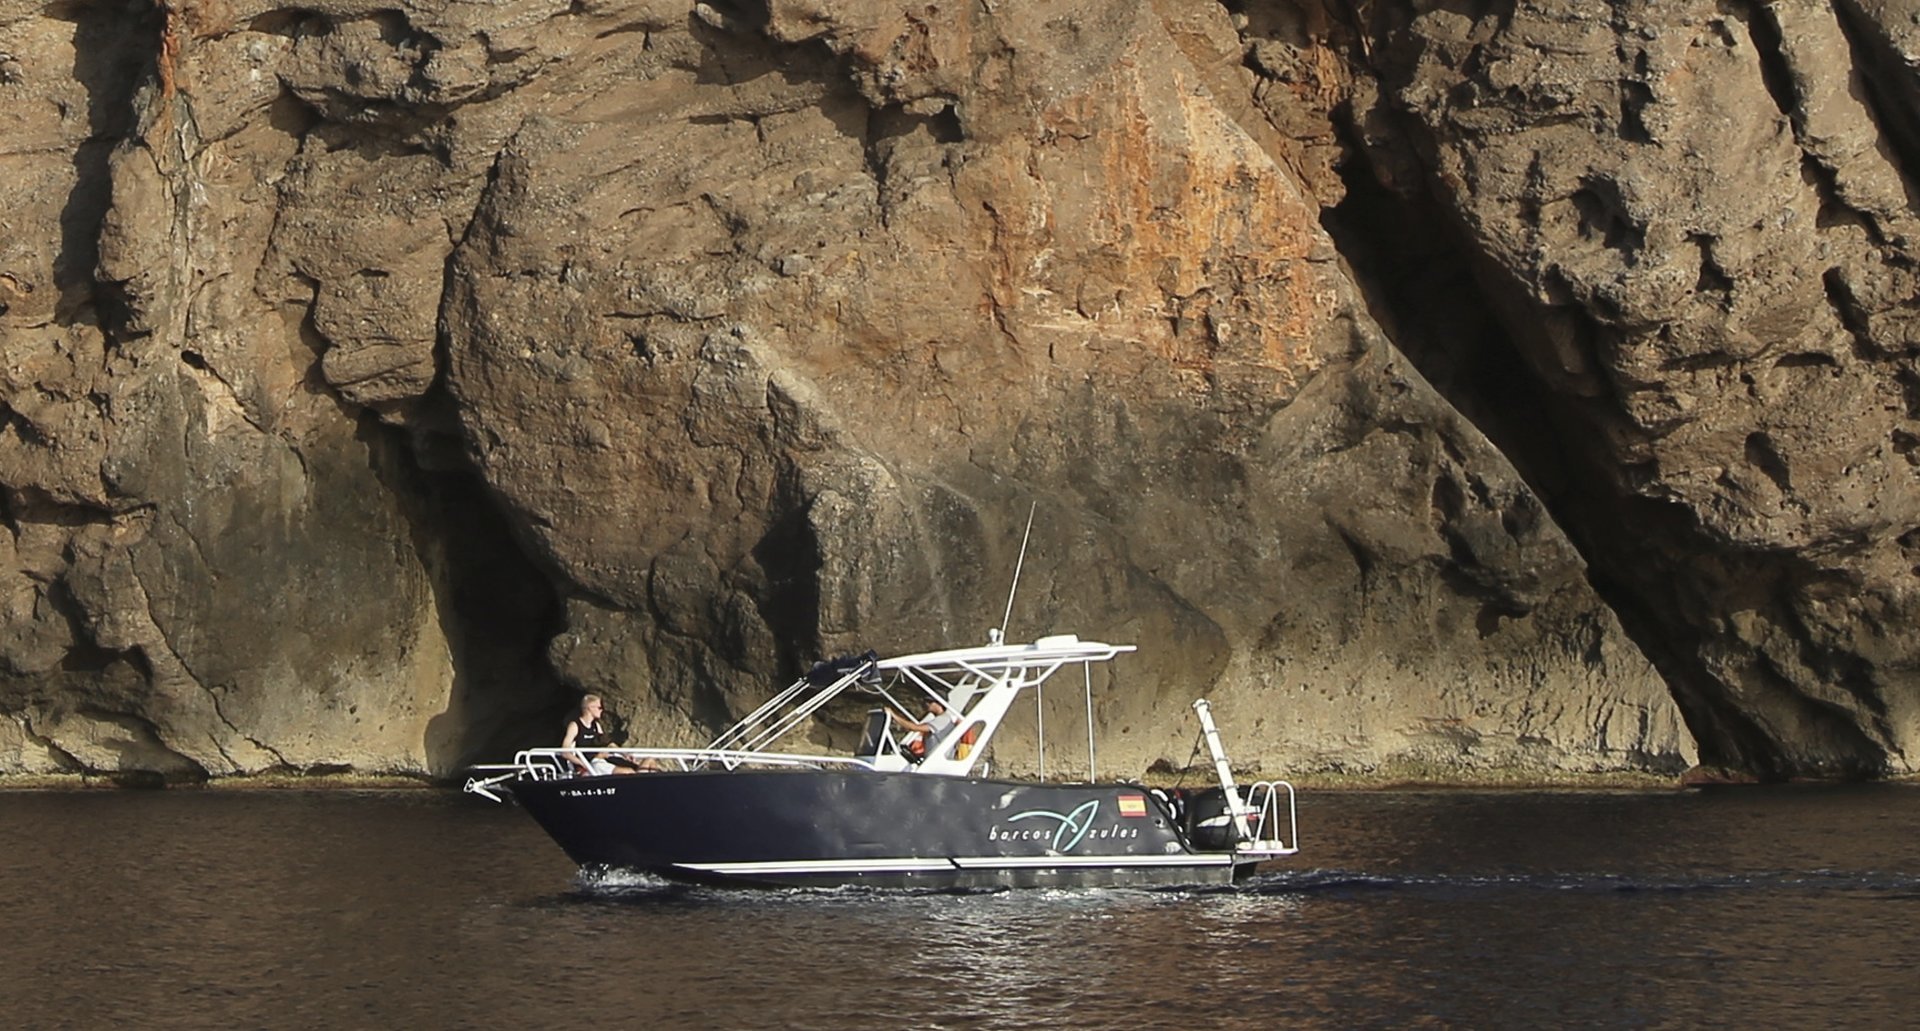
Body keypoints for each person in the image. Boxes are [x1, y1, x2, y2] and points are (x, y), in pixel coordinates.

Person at [561, 695, 656, 775]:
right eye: (599, 707)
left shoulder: (596, 725)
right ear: (590, 707)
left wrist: (624, 754)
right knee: (628, 772)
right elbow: (565, 752)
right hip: (593, 763)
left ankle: (647, 787)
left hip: (606, 759)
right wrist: (583, 764)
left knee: (649, 761)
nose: (601, 710)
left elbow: (608, 743)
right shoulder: (575, 725)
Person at [890, 697, 959, 761]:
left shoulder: (943, 719)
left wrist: (893, 715)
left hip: (938, 763)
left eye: (930, 701)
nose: (926, 703)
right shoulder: (939, 719)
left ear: (939, 703)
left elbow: (915, 728)